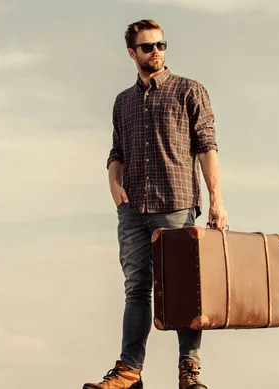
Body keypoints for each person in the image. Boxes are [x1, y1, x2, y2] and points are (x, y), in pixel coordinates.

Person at [83, 19, 228, 389]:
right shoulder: (123, 101)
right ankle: (129, 372)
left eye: (161, 45)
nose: (157, 52)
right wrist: (113, 183)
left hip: (176, 202)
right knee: (136, 289)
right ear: (132, 53)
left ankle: (189, 371)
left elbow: (206, 146)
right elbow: (117, 149)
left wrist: (217, 202)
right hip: (132, 208)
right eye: (147, 47)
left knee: (185, 288)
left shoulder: (189, 91)